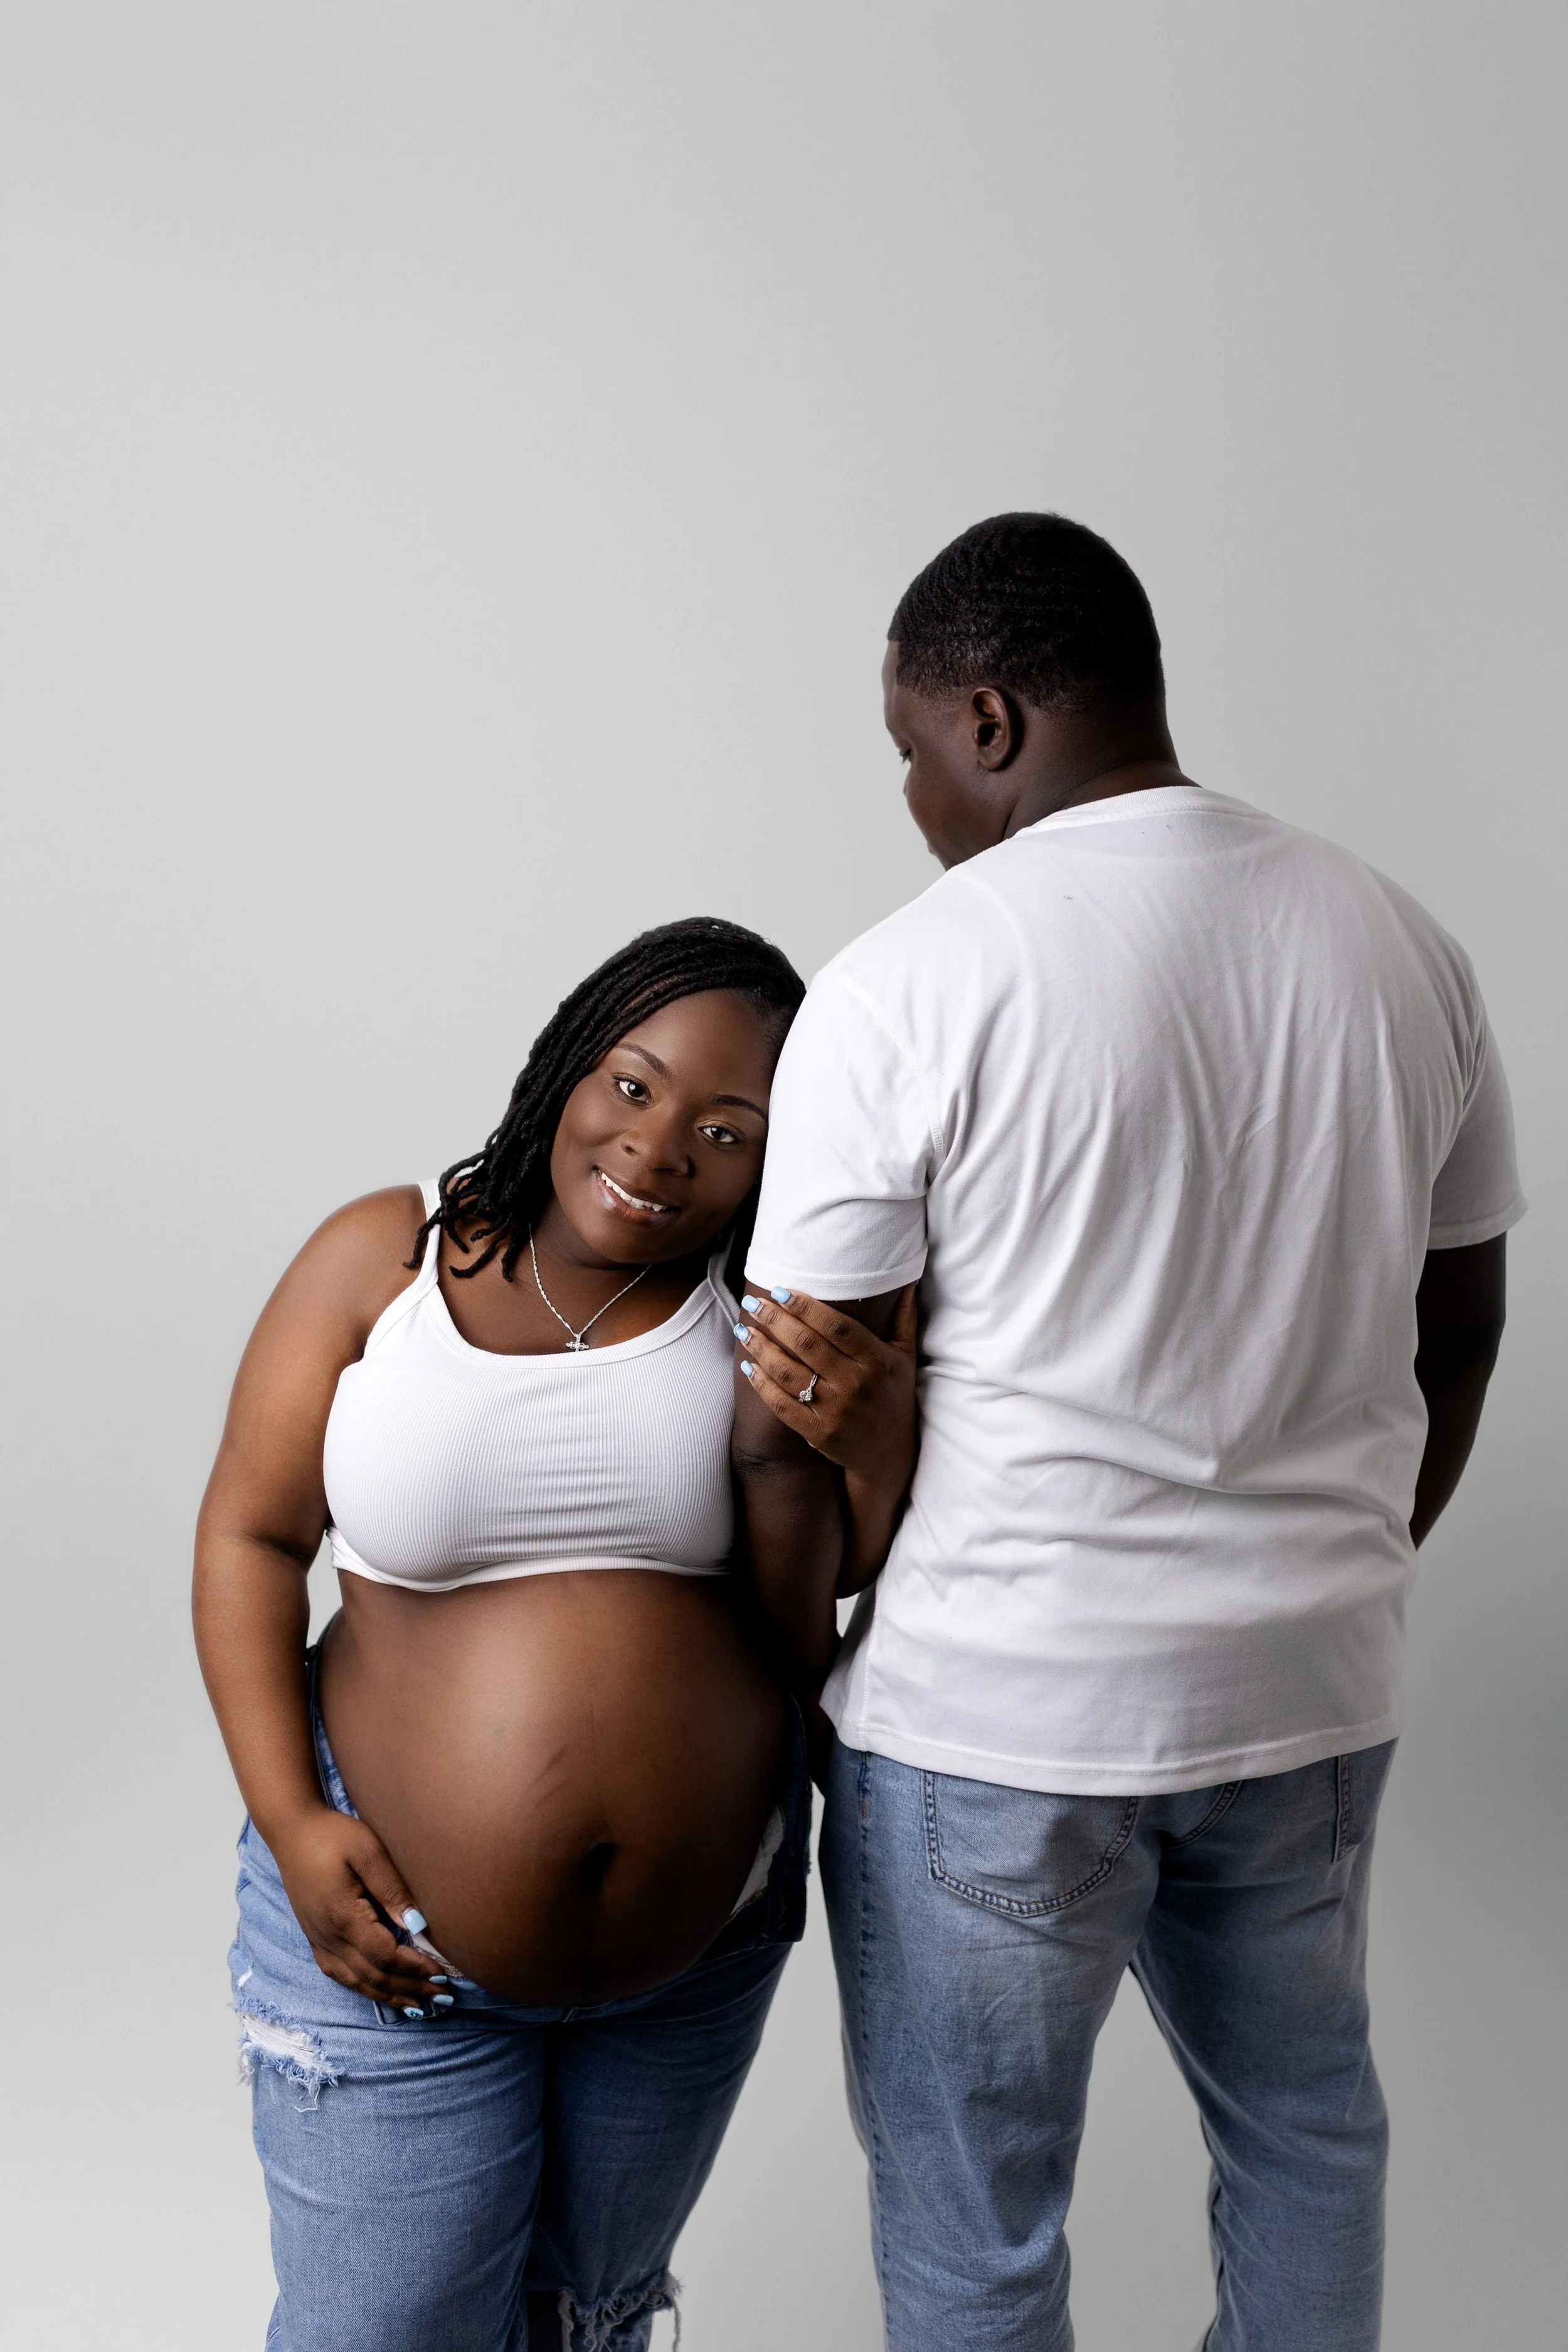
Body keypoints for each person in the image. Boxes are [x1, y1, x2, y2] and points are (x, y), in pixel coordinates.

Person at [732, 514, 1523, 2351]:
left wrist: (786, 1691)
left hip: (993, 1713)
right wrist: (1335, 1565)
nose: (913, 799)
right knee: (1307, 2141)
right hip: (1307, 1695)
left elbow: (787, 1413)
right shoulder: (1404, 945)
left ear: (989, 720)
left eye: (909, 751)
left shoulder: (909, 978)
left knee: (978, 2225)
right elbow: (1463, 1322)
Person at [193, 916, 917, 2352]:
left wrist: (880, 1444)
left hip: (690, 1958)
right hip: (392, 1931)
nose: (657, 1149)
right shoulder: (386, 1256)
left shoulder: (761, 1313)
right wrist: (289, 1820)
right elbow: (249, 1542)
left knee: (589, 2323)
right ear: (568, 1066)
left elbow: (816, 1603)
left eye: (726, 1130)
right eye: (632, 1086)